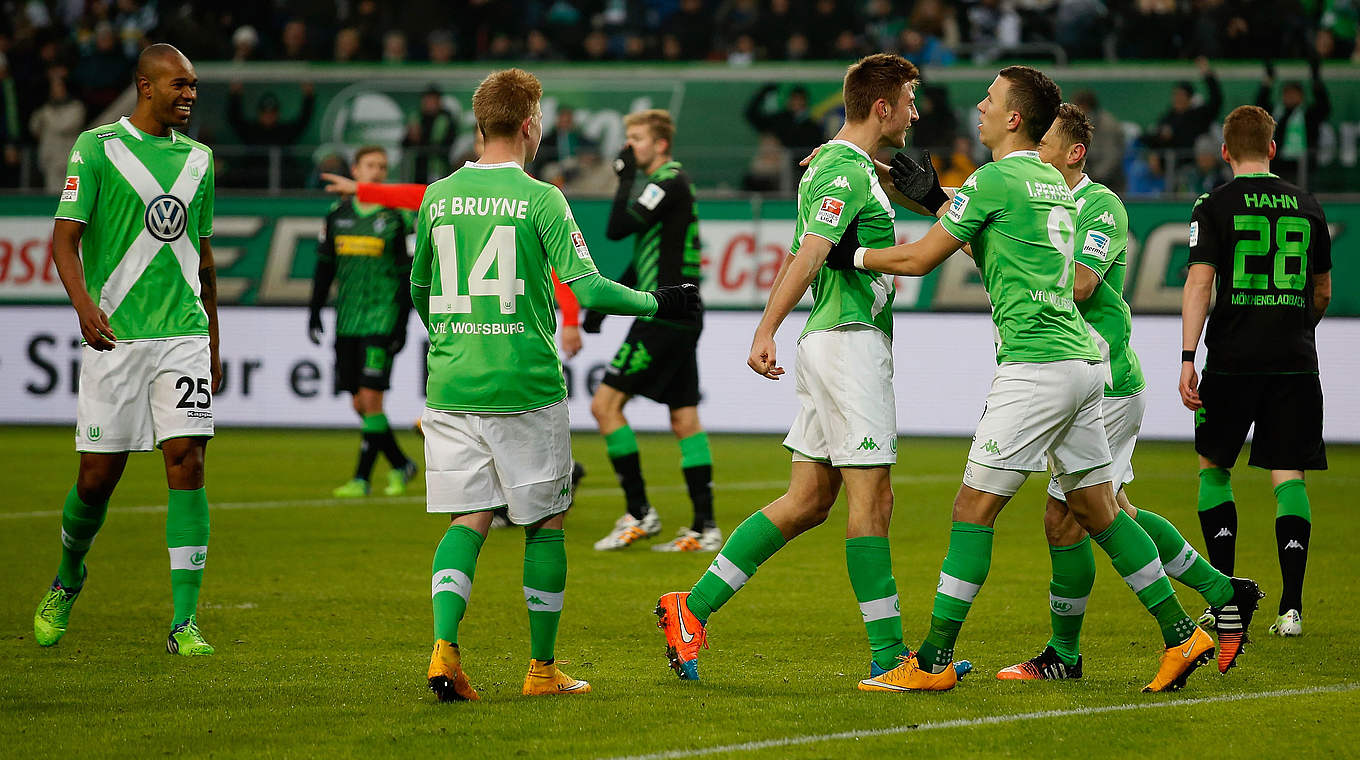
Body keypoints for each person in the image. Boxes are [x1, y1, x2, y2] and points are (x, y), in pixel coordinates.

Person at [838, 66, 1213, 693]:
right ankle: (1183, 634)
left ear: (1014, 118)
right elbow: (996, 251)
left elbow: (919, 260)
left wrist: (850, 253)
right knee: (1099, 508)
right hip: (1083, 364)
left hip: (1037, 364)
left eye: (989, 99)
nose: (978, 107)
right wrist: (932, 196)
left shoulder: (995, 178)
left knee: (972, 508)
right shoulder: (1049, 183)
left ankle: (928, 662)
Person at [413, 68, 700, 702]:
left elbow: (420, 289)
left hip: (453, 380)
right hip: (524, 381)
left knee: (468, 518)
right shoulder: (540, 197)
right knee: (546, 521)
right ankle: (541, 671)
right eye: (539, 118)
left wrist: (460, 339)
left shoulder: (437, 195)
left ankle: (444, 650)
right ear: (525, 125)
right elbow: (589, 286)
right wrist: (661, 302)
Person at [654, 54, 926, 686]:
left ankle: (690, 610)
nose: (916, 112)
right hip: (848, 344)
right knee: (874, 498)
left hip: (838, 342)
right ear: (880, 106)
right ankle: (890, 660)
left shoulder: (848, 165)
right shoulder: (840, 168)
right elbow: (811, 252)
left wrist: (900, 183)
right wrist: (765, 326)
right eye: (909, 100)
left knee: (807, 501)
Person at [996, 104, 1262, 682]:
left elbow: (1085, 281)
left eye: (1044, 145)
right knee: (1111, 510)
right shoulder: (1034, 202)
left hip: (1104, 380)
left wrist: (1014, 263)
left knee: (1069, 519)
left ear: (1073, 154)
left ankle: (1068, 655)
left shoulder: (1100, 206)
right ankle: (1223, 591)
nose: (1033, 155)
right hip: (1077, 378)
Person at [33, 43, 220, 657]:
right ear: (146, 86)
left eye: (193, 85)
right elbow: (64, 241)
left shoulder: (200, 160)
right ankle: (68, 577)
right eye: (180, 85)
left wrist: (214, 338)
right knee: (96, 480)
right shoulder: (96, 148)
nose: (190, 94)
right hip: (117, 336)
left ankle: (184, 623)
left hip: (182, 336)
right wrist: (84, 306)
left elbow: (205, 256)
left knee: (187, 462)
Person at [1180, 105, 1332, 639]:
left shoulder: (1213, 205)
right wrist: (1290, 326)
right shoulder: (1308, 205)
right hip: (1294, 361)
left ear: (1225, 151)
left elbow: (1201, 283)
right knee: (1287, 474)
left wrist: (1186, 357)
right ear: (1272, 148)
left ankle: (1227, 600)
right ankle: (1290, 607)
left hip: (1232, 360)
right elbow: (1322, 292)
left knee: (1214, 470)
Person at [584, 109, 716, 553]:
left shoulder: (668, 181)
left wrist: (620, 179)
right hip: (680, 312)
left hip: (663, 314)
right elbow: (642, 251)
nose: (628, 148)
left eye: (636, 139)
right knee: (684, 418)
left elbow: (619, 228)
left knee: (605, 406)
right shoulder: (666, 187)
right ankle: (704, 527)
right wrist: (606, 306)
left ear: (660, 144)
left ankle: (639, 513)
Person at [308, 145, 418, 499]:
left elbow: (407, 275)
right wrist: (313, 310)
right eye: (371, 165)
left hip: (381, 318)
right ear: (355, 170)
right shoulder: (336, 213)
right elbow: (324, 266)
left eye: (383, 166)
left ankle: (361, 479)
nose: (377, 171)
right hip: (347, 320)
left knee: (371, 400)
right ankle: (401, 463)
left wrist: (401, 324)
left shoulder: (397, 216)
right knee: (359, 403)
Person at [1255, 57, 1331, 188]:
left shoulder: (1309, 116)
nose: (1290, 97)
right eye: (1287, 94)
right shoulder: (1276, 114)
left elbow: (1324, 107)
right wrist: (1268, 81)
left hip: (1303, 166)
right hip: (1277, 165)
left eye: (1294, 94)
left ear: (1301, 96)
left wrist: (1316, 79)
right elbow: (1259, 107)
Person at [404, 84, 457, 183]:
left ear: (439, 101)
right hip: (418, 169)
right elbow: (405, 144)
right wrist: (411, 137)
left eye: (433, 100)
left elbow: (450, 143)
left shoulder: (446, 119)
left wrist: (427, 146)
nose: (429, 103)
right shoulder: (416, 117)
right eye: (427, 99)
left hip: (438, 169)